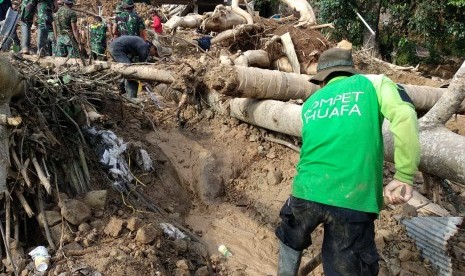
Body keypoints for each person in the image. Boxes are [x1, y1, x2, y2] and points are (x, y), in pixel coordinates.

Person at [275, 48, 420, 276]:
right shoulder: (374, 84)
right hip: (352, 200)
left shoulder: (312, 103)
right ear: (351, 72)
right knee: (346, 267)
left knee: (290, 236)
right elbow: (405, 115)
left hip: (305, 191)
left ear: (322, 80)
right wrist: (404, 175)